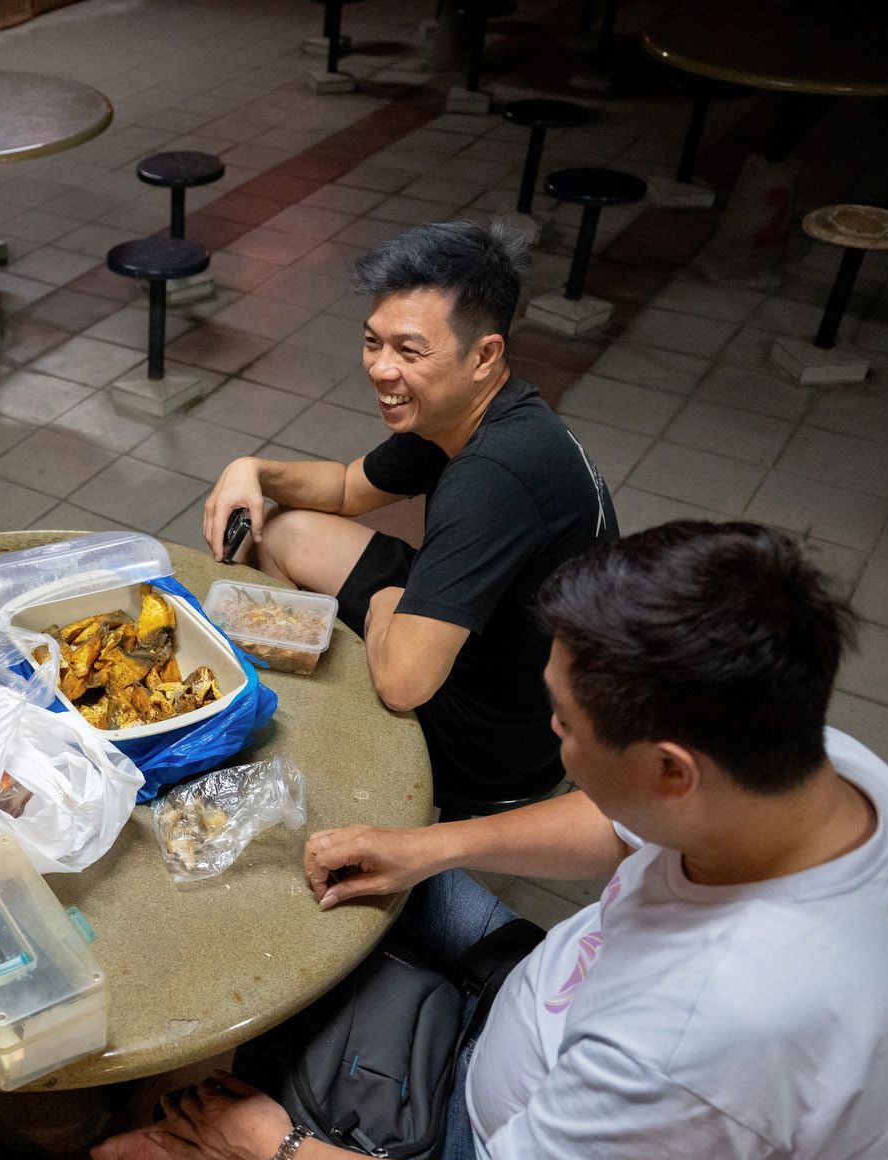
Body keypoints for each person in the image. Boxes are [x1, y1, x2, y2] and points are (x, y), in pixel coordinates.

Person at [92, 520, 888, 1160]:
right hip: (557, 1006)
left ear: (669, 769)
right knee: (328, 870)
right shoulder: (807, 765)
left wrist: (273, 1157)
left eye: (567, 723)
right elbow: (630, 826)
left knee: (247, 1142)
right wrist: (426, 848)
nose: (553, 734)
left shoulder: (710, 1032)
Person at [202, 220, 615, 814]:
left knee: (383, 657)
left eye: (409, 351)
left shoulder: (493, 477)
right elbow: (346, 488)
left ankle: (349, 770)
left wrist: (385, 602)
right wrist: (253, 470)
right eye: (373, 342)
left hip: (502, 736)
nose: (380, 369)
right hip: (494, 642)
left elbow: (404, 684)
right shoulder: (463, 409)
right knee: (286, 528)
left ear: (484, 354)